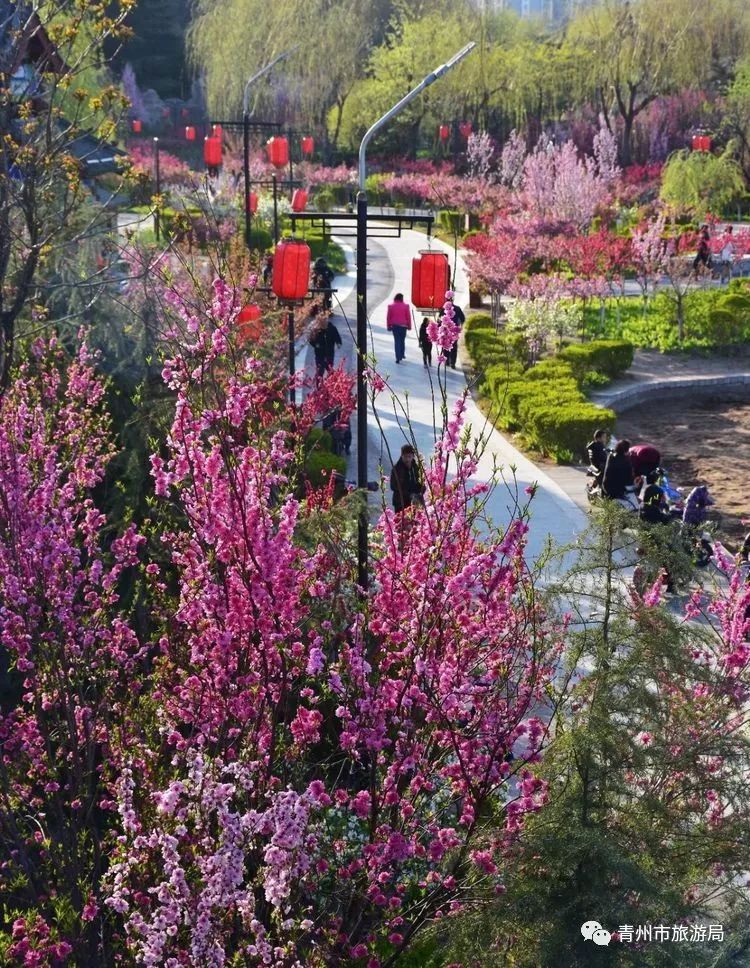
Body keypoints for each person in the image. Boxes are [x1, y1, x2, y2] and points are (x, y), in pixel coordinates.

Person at [390, 444, 425, 513]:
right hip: (401, 503)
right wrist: (409, 495)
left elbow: (421, 483)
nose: (407, 459)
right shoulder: (397, 469)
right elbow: (393, 486)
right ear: (402, 456)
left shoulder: (416, 468)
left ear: (413, 456)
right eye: (405, 457)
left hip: (415, 502)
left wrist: (420, 493)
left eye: (409, 457)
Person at [309, 314, 342, 378]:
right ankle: (319, 386)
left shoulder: (332, 328)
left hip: (329, 353)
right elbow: (311, 339)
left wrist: (338, 343)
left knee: (330, 370)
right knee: (320, 372)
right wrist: (316, 345)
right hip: (320, 354)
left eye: (325, 321)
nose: (323, 324)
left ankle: (330, 384)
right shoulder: (316, 330)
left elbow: (337, 337)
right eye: (321, 322)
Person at [439, 295, 466, 369]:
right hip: (454, 331)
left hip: (445, 331)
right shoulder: (457, 308)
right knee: (453, 347)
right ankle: (452, 363)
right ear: (453, 299)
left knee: (445, 346)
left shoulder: (443, 308)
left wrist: (439, 329)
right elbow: (463, 319)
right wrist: (459, 325)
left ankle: (447, 361)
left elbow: (440, 319)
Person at [386, 293, 412, 364]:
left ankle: (397, 357)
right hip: (403, 326)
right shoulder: (406, 306)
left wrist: (388, 326)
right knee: (402, 340)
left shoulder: (391, 306)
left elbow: (388, 317)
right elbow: (408, 317)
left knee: (397, 341)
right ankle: (402, 354)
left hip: (395, 326)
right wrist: (409, 326)